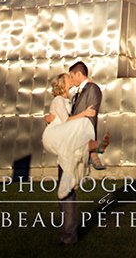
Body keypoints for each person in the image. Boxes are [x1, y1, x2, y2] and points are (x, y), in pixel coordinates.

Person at [41, 72, 97, 200]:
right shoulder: (58, 100)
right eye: (68, 78)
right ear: (63, 84)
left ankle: (68, 182)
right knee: (83, 122)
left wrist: (88, 84)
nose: (71, 79)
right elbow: (66, 120)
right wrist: (85, 113)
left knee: (74, 153)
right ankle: (92, 152)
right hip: (53, 135)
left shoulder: (68, 99)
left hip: (62, 133)